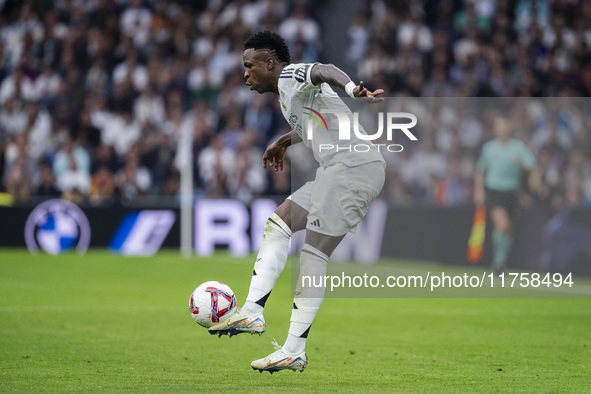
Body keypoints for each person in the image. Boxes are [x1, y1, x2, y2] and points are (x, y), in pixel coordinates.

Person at [208, 31, 386, 373]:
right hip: (338, 169)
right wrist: (284, 141)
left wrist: (351, 90)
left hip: (353, 167)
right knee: (278, 223)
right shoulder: (288, 96)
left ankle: (293, 349)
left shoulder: (290, 76)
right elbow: (314, 124)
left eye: (249, 66)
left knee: (313, 253)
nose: (245, 74)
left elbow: (326, 69)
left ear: (269, 63)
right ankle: (253, 312)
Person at [474, 116, 537, 274]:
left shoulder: (518, 147)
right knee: (501, 223)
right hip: (494, 191)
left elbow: (531, 166)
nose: (502, 129)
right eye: (499, 126)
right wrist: (479, 191)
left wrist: (520, 164)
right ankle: (498, 261)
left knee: (508, 228)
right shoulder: (489, 148)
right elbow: (480, 171)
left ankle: (502, 260)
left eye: (505, 126)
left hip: (512, 192)